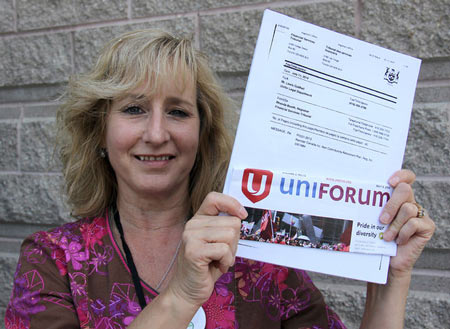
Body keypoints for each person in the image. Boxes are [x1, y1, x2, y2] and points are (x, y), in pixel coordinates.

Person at [5, 29, 435, 329]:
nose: (157, 134)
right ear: (99, 130)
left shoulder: (259, 255)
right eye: (134, 109)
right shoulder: (56, 260)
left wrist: (390, 280)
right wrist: (178, 297)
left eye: (178, 111)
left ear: (202, 134)